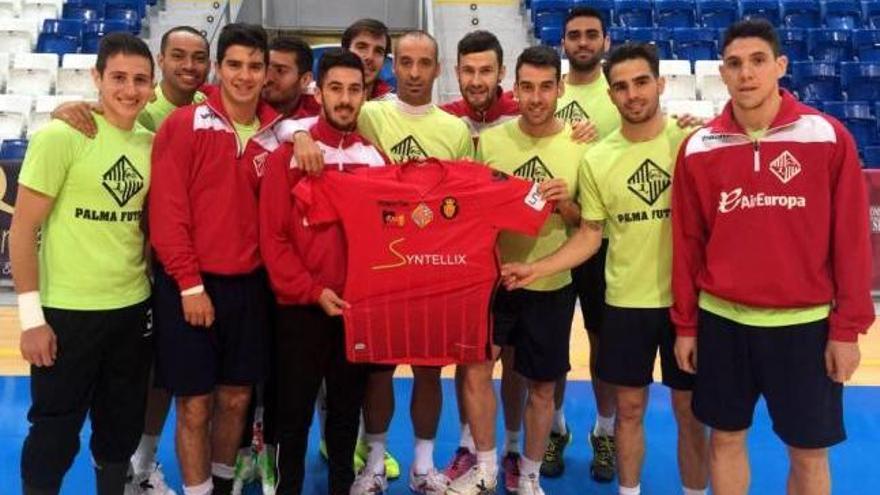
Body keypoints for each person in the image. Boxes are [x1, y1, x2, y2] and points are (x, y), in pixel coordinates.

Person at [671, 19, 873, 495]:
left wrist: (846, 330)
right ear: (722, 72)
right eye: (736, 64)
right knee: (725, 439)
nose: (747, 74)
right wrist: (685, 324)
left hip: (805, 328)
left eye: (758, 61)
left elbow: (850, 241)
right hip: (722, 323)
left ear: (780, 66)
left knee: (808, 453)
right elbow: (686, 244)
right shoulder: (699, 147)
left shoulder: (827, 137)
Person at [288, 30, 472, 495]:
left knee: (430, 369)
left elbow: (465, 201)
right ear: (393, 66)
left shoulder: (453, 129)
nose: (414, 72)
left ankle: (423, 465)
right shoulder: (368, 111)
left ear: (437, 68)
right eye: (405, 62)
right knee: (378, 372)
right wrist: (302, 135)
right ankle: (372, 462)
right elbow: (308, 118)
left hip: (433, 270)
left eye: (424, 63)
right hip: (379, 273)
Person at [11, 33, 156, 495]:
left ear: (152, 87)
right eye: (118, 77)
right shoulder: (61, 135)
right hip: (67, 314)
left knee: (119, 431)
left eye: (139, 80)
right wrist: (31, 319)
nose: (129, 90)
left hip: (132, 310)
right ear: (96, 78)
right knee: (54, 432)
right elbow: (21, 230)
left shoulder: (152, 144)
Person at [148, 23, 284, 495]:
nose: (244, 76)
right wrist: (189, 284)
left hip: (249, 287)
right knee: (194, 404)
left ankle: (221, 486)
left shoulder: (276, 137)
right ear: (217, 69)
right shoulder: (183, 125)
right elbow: (167, 214)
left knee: (236, 399)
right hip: (190, 285)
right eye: (234, 65)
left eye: (254, 66)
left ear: (266, 72)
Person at [446, 45, 588, 495]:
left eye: (546, 87)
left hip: (550, 281)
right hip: (495, 280)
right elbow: (470, 214)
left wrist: (566, 205)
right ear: (515, 88)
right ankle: (486, 465)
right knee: (474, 370)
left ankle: (527, 472)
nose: (536, 97)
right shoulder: (490, 142)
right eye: (527, 86)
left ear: (560, 89)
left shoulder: (581, 144)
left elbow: (589, 225)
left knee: (542, 385)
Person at [260, 48, 386, 495]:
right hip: (300, 309)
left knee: (346, 415)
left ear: (366, 93)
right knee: (292, 417)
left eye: (355, 89)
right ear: (319, 90)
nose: (346, 98)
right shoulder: (286, 157)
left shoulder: (375, 159)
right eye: (336, 88)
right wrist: (312, 291)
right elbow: (273, 239)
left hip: (354, 311)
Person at [262, 36, 321, 118]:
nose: (266, 79)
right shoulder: (244, 105)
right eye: (264, 68)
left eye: (280, 70)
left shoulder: (323, 113)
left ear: (305, 80)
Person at [341, 18, 396, 101]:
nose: (370, 57)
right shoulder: (319, 100)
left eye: (378, 51)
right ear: (345, 51)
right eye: (361, 47)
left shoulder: (394, 107)